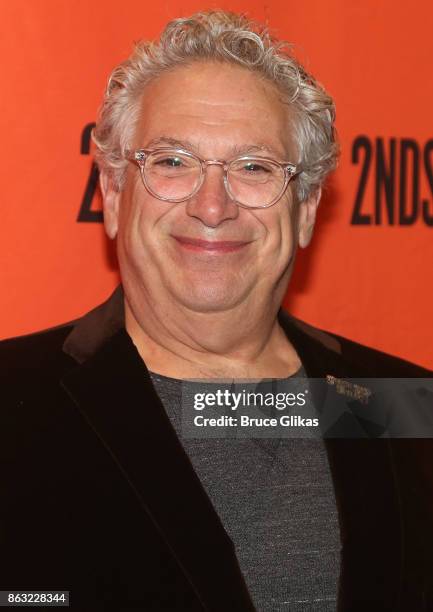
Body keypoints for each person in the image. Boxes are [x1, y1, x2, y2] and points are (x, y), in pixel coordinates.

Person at [1, 10, 432, 612]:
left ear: (306, 210)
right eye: (172, 162)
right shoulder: (12, 401)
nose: (212, 205)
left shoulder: (403, 404)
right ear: (114, 195)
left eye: (254, 168)